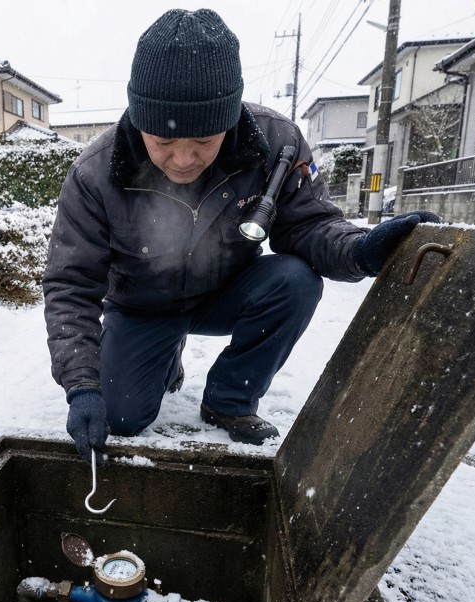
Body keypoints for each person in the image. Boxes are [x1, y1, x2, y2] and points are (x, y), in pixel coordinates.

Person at [43, 8, 438, 464]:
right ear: (138, 119)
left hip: (225, 291)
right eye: (163, 142)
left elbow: (308, 225)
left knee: (295, 279)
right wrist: (83, 385)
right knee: (120, 418)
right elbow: (71, 284)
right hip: (142, 307)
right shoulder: (95, 173)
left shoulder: (277, 144)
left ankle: (229, 400)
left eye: (204, 141)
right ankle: (164, 354)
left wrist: (360, 250)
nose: (185, 159)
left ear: (229, 120)